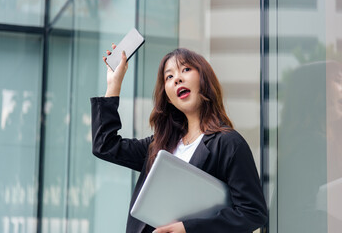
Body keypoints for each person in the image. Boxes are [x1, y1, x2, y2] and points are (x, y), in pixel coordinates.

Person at [90, 44, 267, 233]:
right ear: (168, 98)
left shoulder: (228, 144)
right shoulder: (159, 145)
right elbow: (105, 145)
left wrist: (188, 229)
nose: (177, 79)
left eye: (186, 69)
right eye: (169, 76)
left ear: (204, 79)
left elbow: (252, 213)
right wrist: (113, 84)